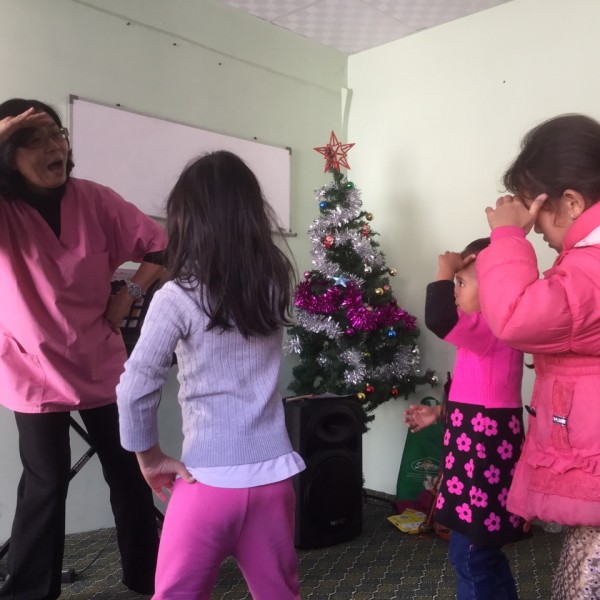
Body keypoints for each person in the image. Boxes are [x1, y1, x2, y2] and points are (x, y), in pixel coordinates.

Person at [117, 150, 305, 600]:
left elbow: (134, 390)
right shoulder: (272, 285)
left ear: (187, 222)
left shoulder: (176, 296)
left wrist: (150, 459)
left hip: (206, 484)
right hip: (274, 480)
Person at [0, 98, 166, 599]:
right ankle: (30, 591)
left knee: (128, 470)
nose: (54, 147)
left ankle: (149, 576)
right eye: (33, 141)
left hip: (99, 358)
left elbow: (161, 246)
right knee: (47, 481)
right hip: (31, 365)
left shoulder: (95, 200)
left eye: (57, 134)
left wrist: (130, 292)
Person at [477, 114, 600, 600]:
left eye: (537, 210)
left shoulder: (591, 268)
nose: (535, 228)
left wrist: (508, 237)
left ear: (571, 203)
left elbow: (517, 317)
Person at [404, 238, 528, 600]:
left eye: (461, 282)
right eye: (454, 283)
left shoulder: (491, 329)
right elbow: (481, 398)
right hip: (474, 460)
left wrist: (444, 270)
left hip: (481, 465)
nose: (454, 291)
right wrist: (439, 413)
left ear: (493, 289)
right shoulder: (486, 335)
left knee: (471, 556)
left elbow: (439, 317)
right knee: (481, 556)